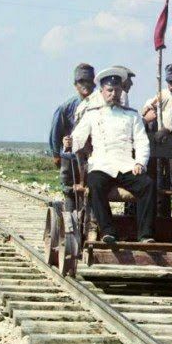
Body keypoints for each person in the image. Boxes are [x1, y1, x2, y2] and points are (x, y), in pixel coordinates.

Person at [63, 68, 155, 244]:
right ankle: (108, 231)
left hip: (126, 165)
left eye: (117, 90)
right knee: (95, 184)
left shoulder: (132, 115)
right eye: (109, 90)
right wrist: (69, 143)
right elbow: (78, 138)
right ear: (102, 91)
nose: (113, 94)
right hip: (102, 165)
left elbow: (142, 142)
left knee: (147, 185)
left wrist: (140, 163)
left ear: (121, 91)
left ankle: (145, 235)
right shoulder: (92, 114)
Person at [48, 63, 95, 210]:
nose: (85, 84)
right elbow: (55, 132)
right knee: (70, 192)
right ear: (75, 85)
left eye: (89, 81)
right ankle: (70, 219)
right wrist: (56, 154)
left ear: (94, 84)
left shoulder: (101, 105)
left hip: (93, 158)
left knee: (93, 193)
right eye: (81, 81)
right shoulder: (66, 107)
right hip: (71, 158)